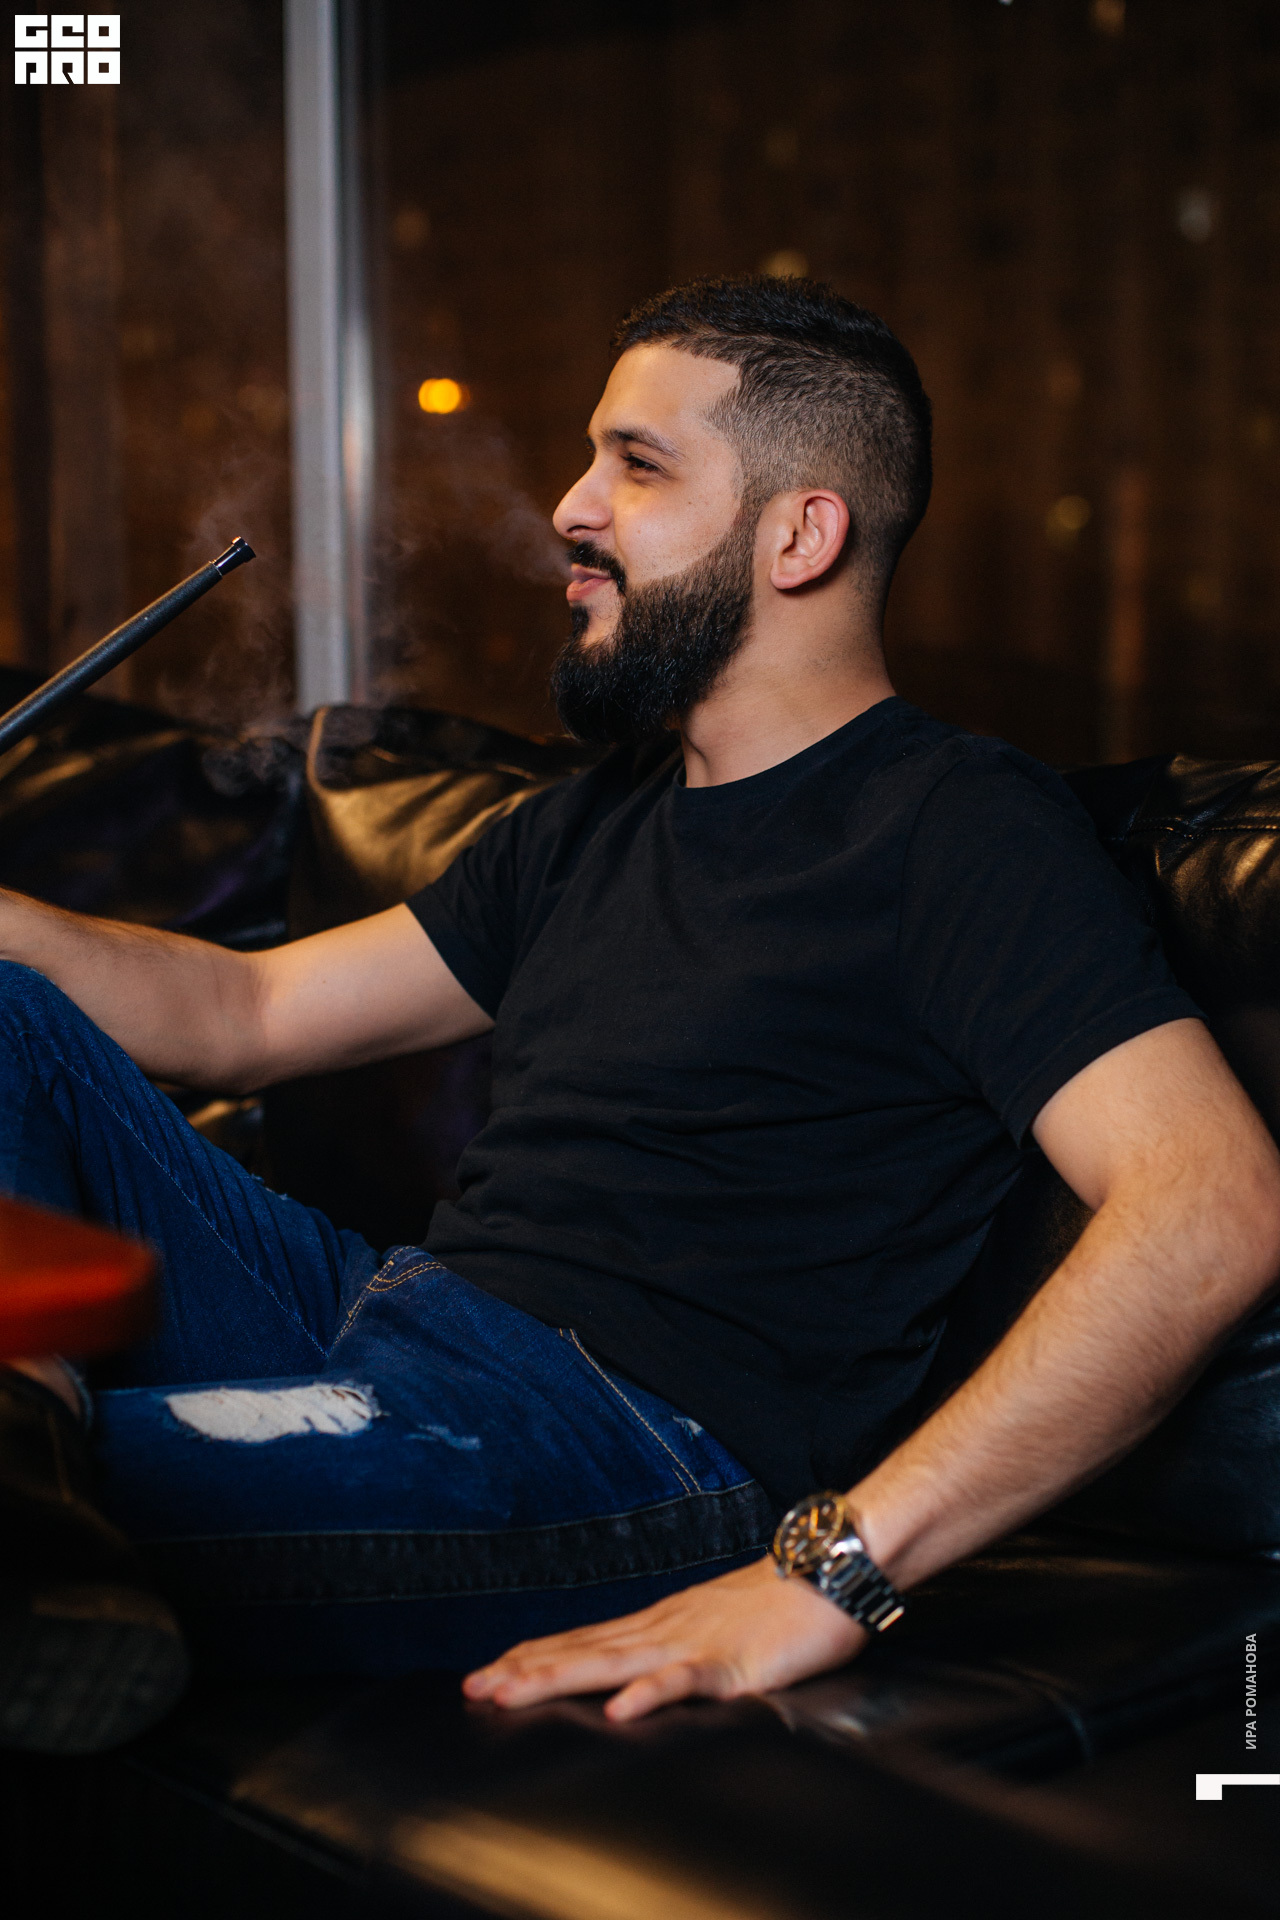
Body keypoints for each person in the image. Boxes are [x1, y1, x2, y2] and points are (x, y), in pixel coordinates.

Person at [3, 275, 1279, 1754]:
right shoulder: (591, 820)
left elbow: (1211, 1203)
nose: (571, 505)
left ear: (801, 536)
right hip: (373, 1313)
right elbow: (248, 1008)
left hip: (609, 1448)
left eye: (639, 464)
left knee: (55, 1507)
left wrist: (830, 1573)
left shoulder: (955, 826)